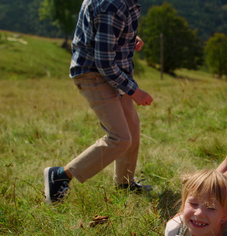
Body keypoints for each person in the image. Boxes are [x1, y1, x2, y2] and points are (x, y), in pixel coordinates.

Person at [43, 0, 153, 204]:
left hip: (112, 73)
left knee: (132, 127)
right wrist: (134, 91)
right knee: (120, 137)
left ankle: (124, 183)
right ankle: (60, 175)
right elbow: (103, 61)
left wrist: (128, 38)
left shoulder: (125, 4)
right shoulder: (112, 5)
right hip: (94, 75)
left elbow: (103, 33)